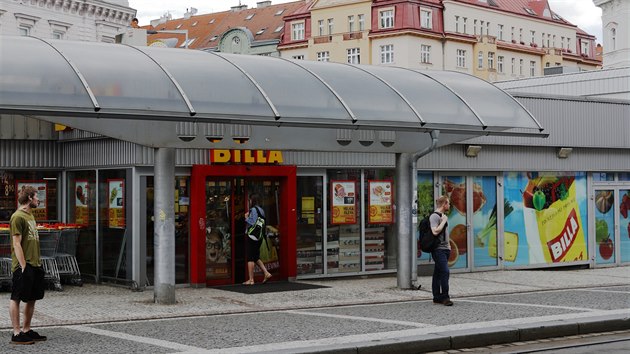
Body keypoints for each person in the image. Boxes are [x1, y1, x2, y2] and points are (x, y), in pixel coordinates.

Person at [9, 186, 47, 345]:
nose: (39, 200)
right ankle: (16, 333)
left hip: (35, 263)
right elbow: (16, 244)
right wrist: (23, 266)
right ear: (30, 198)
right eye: (37, 197)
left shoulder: (30, 216)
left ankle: (26, 329)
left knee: (32, 298)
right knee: (16, 297)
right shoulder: (17, 217)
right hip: (23, 265)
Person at [242, 193, 272, 285]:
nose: (249, 201)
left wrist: (246, 217)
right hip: (259, 236)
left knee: (250, 258)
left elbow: (252, 222)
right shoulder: (261, 210)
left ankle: (251, 279)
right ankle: (266, 273)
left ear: (252, 200)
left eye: (250, 200)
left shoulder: (253, 210)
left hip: (252, 236)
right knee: (255, 257)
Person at [430, 195, 453, 306]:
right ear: (444, 204)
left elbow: (445, 234)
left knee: (438, 273)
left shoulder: (443, 216)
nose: (449, 205)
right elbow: (435, 231)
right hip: (438, 250)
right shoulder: (434, 217)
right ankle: (445, 297)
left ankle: (436, 297)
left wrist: (449, 246)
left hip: (445, 249)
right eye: (448, 203)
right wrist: (443, 221)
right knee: (445, 272)